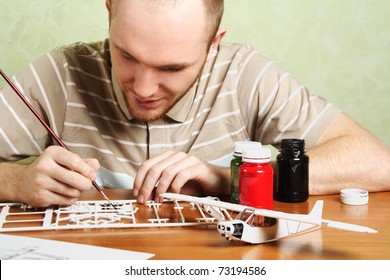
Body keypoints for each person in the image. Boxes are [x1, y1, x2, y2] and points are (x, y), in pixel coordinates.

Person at [1, 0, 390, 208]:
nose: (144, 87)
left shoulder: (242, 73)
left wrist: (226, 179)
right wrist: (16, 182)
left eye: (171, 67)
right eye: (127, 55)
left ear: (213, 44)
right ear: (109, 12)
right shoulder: (61, 72)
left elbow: (375, 162)